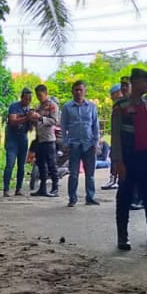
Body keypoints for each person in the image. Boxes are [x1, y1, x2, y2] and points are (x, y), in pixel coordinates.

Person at [111, 68, 147, 250]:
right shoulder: (121, 107)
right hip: (129, 157)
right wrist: (117, 161)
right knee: (125, 198)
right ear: (135, 82)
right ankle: (123, 237)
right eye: (145, 82)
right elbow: (116, 137)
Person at [60, 79, 102, 207]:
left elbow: (96, 125)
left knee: (90, 174)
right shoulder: (67, 107)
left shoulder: (91, 107)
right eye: (76, 90)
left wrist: (96, 143)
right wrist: (66, 143)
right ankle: (72, 198)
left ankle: (90, 197)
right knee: (73, 174)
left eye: (81, 90)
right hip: (74, 145)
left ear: (85, 91)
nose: (78, 92)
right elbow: (63, 126)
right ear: (72, 91)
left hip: (89, 144)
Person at [3, 88, 36, 197]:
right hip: (12, 139)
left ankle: (18, 189)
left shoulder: (29, 109)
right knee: (10, 164)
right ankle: (6, 189)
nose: (28, 101)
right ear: (21, 97)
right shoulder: (14, 106)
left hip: (23, 138)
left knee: (21, 166)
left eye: (30, 99)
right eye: (26, 98)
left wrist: (32, 120)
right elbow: (12, 122)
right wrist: (27, 117)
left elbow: (30, 129)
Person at [30, 84, 60, 197]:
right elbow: (36, 121)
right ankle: (42, 188)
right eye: (37, 95)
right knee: (41, 164)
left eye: (40, 95)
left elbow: (55, 121)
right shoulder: (39, 106)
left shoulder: (52, 106)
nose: (39, 97)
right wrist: (32, 118)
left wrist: (40, 118)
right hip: (39, 138)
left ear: (46, 93)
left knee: (52, 164)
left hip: (49, 139)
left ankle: (55, 188)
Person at [102, 84, 122, 189]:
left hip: (122, 138)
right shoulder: (115, 105)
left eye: (113, 94)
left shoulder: (123, 104)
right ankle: (113, 179)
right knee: (113, 158)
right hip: (115, 137)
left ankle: (117, 179)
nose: (112, 96)